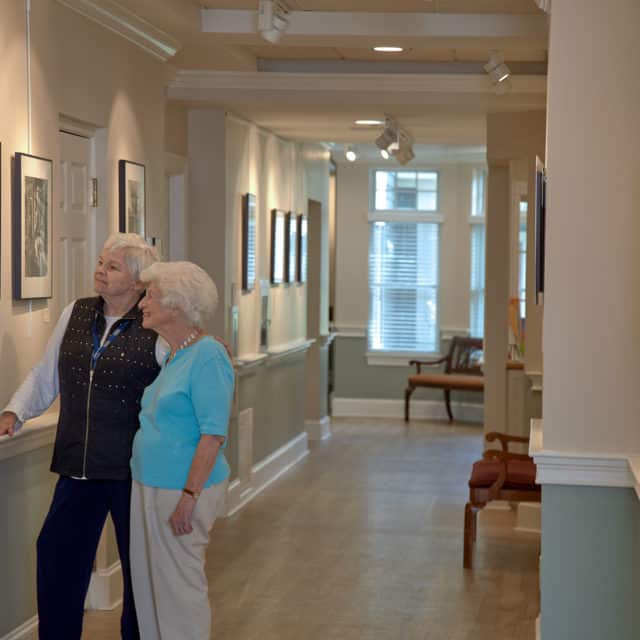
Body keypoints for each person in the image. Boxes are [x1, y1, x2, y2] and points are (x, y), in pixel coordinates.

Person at [0, 233, 165, 640]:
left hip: (134, 471)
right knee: (56, 557)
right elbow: (46, 374)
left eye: (112, 267)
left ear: (137, 280)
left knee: (140, 572)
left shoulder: (156, 324)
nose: (100, 271)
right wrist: (13, 411)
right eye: (100, 262)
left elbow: (181, 386)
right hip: (78, 466)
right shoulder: (77, 312)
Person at [130, 261, 234, 640]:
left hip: (181, 489)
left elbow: (213, 435)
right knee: (150, 588)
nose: (143, 303)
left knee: (179, 589)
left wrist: (189, 496)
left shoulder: (208, 355)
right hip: (149, 482)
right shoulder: (176, 351)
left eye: (152, 296)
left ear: (176, 305)